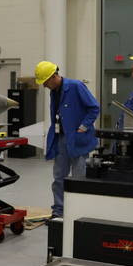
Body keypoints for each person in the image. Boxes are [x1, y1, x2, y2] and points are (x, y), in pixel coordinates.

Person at [35, 60, 100, 219]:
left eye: (44, 82)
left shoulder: (76, 86)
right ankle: (59, 210)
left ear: (53, 76)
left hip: (77, 139)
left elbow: (94, 108)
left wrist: (83, 127)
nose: (43, 86)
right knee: (59, 177)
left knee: (78, 177)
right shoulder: (54, 91)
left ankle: (79, 210)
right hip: (61, 138)